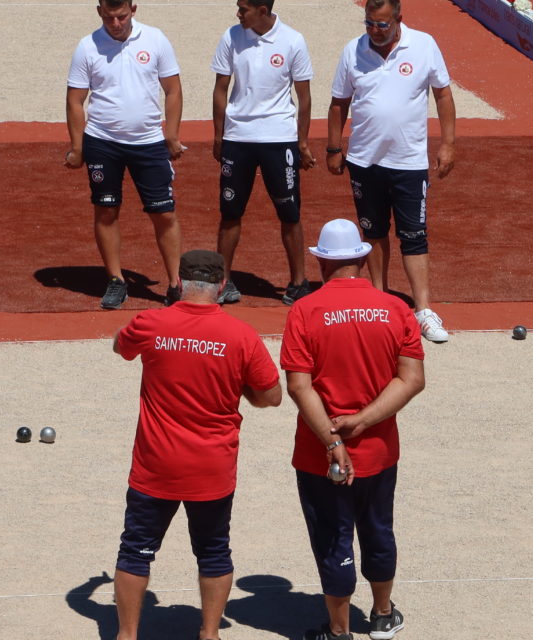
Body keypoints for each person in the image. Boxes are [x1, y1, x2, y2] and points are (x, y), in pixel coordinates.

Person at [112, 249, 282, 640]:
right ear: (222, 285)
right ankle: (209, 634)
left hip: (155, 466)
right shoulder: (241, 336)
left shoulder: (150, 323)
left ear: (179, 283)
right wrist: (242, 390)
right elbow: (271, 396)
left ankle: (127, 635)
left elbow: (122, 346)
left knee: (135, 550)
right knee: (214, 551)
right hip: (212, 468)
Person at [280, 219, 426, 640]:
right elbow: (412, 379)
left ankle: (339, 630)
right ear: (363, 259)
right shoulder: (396, 308)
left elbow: (298, 385)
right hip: (379, 451)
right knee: (379, 529)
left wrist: (332, 439)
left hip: (319, 454)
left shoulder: (305, 310)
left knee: (332, 537)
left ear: (323, 262)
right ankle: (381, 615)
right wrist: (362, 421)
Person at [325, 0, 457, 342]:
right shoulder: (352, 51)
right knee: (374, 232)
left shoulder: (424, 45)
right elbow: (339, 102)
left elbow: (442, 94)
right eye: (369, 23)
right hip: (365, 161)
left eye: (382, 24)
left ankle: (423, 310)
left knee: (414, 235)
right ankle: (379, 301)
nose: (374, 30)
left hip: (409, 162)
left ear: (399, 19)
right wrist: (334, 147)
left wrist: (447, 144)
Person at [66, 0, 187, 309]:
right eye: (109, 17)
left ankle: (175, 283)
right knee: (106, 211)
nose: (115, 23)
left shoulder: (156, 39)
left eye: (121, 16)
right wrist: (78, 147)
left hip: (148, 143)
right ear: (99, 12)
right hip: (102, 142)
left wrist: (171, 135)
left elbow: (173, 90)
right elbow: (76, 100)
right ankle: (116, 280)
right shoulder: (87, 47)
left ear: (134, 9)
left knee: (164, 212)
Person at [211, 0, 316, 306]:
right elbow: (220, 88)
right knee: (230, 212)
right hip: (238, 138)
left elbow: (304, 96)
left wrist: (302, 141)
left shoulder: (293, 40)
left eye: (243, 8)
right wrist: (219, 134)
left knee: (289, 211)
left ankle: (299, 282)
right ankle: (223, 280)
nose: (238, 13)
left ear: (262, 9)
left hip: (279, 139)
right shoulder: (231, 37)